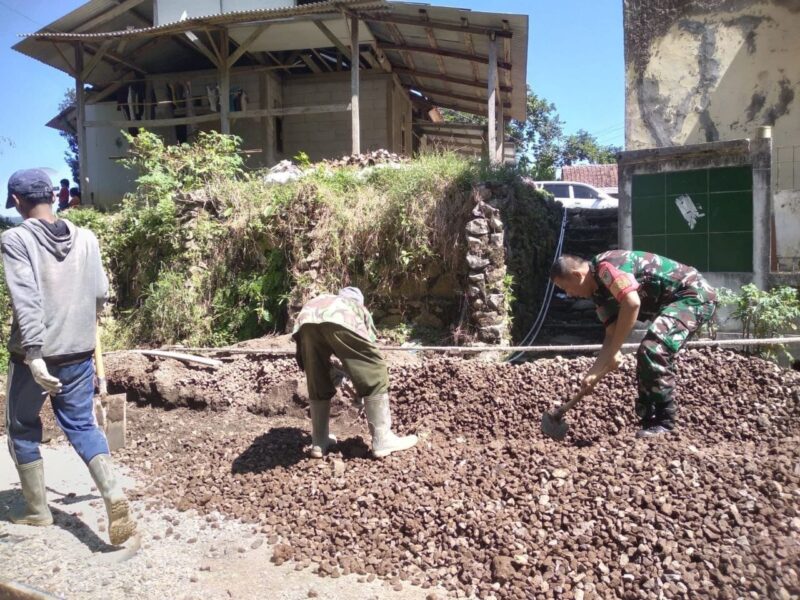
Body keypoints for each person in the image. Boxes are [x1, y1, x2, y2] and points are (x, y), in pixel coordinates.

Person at [2, 169, 136, 545]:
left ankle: (38, 511)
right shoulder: (87, 238)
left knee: (21, 426)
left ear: (16, 201)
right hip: (79, 351)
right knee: (81, 424)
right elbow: (100, 293)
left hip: (36, 355)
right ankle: (112, 492)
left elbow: (25, 299)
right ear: (53, 196)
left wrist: (33, 354)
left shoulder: (15, 239)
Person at [550, 250, 717, 438]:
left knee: (653, 348)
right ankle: (649, 420)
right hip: (671, 303)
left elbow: (632, 303)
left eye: (566, 288)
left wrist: (614, 352)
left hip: (693, 296)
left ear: (577, 275)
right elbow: (611, 333)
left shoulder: (607, 267)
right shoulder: (598, 294)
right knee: (646, 351)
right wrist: (594, 372)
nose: (569, 294)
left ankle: (665, 422)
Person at [292, 287, 418, 458]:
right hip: (336, 319)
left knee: (317, 377)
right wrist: (362, 385)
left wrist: (339, 373)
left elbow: (333, 353)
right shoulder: (356, 308)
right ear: (360, 302)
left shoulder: (327, 300)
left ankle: (319, 441)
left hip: (305, 321)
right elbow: (367, 355)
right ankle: (383, 440)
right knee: (376, 368)